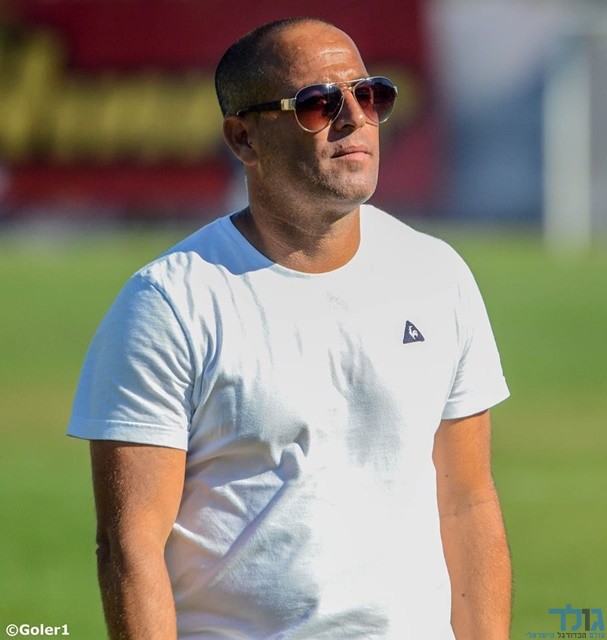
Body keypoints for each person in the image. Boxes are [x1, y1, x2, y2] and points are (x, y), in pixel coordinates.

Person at [67, 17, 512, 639]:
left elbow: (467, 503)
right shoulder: (169, 303)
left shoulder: (438, 275)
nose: (354, 118)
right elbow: (129, 549)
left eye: (370, 94)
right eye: (318, 103)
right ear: (243, 138)